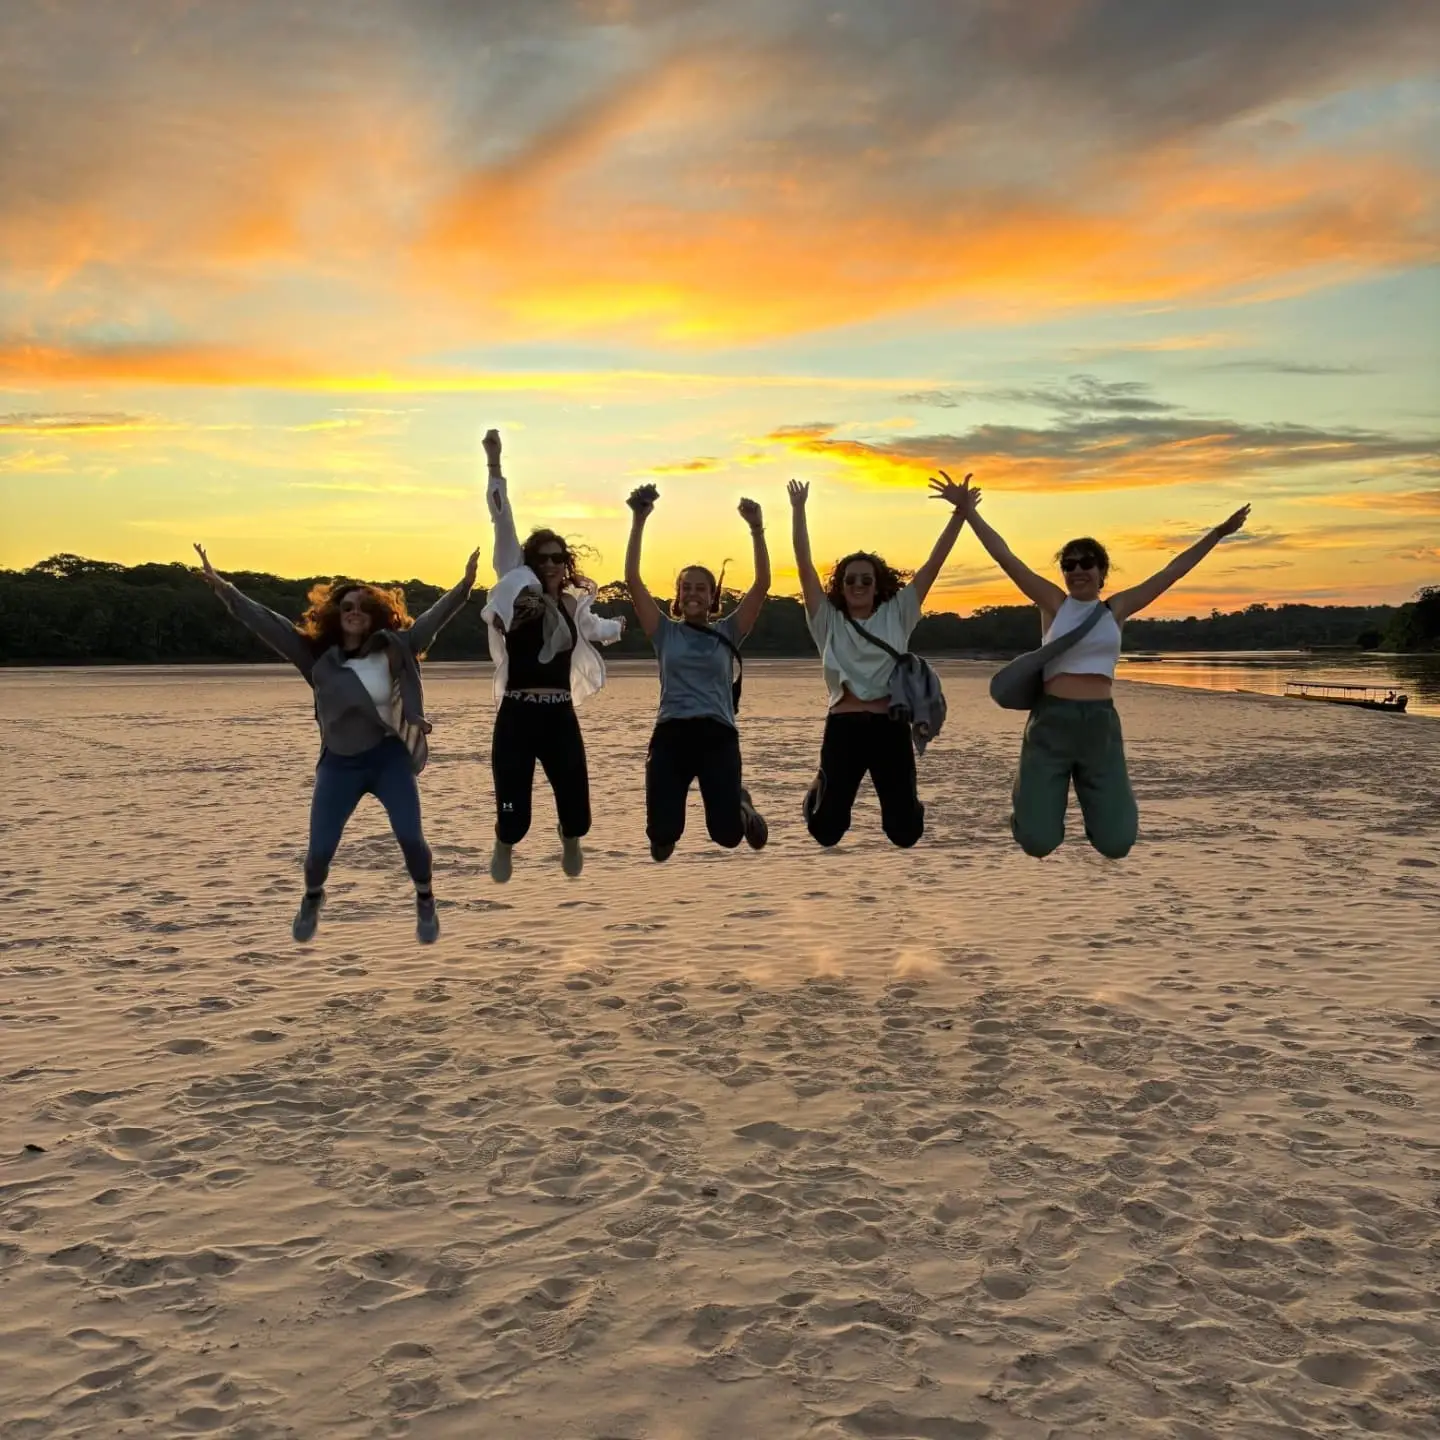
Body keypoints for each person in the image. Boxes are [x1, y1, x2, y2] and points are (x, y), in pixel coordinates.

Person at [934, 474, 1250, 858]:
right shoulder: (1054, 603)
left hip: (1100, 724)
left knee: (1117, 843)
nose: (1077, 570)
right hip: (1052, 722)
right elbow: (1005, 557)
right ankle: (1029, 811)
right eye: (1069, 565)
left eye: (1086, 564)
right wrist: (968, 513)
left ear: (1103, 571)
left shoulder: (1115, 609)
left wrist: (1217, 533)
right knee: (1037, 841)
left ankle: (1093, 814)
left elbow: (1172, 572)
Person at [194, 542, 477, 943]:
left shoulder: (396, 646)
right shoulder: (316, 658)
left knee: (411, 838)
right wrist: (223, 587)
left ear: (376, 612)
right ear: (336, 616)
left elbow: (434, 620)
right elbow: (267, 622)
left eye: (363, 606)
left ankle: (425, 897)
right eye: (347, 607)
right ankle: (313, 897)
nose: (355, 612)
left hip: (388, 758)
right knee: (320, 852)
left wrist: (464, 586)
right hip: (339, 763)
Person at [788, 475, 973, 848]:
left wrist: (960, 513)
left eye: (866, 580)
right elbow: (804, 565)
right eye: (851, 579)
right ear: (840, 585)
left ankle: (907, 800)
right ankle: (818, 789)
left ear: (878, 584)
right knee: (826, 831)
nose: (858, 585)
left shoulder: (898, 613)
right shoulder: (828, 621)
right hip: (843, 729)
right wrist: (798, 510)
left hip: (890, 728)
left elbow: (933, 564)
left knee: (905, 833)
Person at [481, 428, 625, 883]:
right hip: (518, 716)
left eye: (557, 558)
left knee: (578, 809)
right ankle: (504, 839)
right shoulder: (516, 588)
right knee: (513, 809)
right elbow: (502, 520)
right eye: (541, 557)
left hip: (559, 717)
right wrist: (494, 464)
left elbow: (593, 629)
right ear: (528, 561)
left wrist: (621, 627)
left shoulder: (571, 605)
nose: (549, 564)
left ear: (566, 563)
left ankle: (570, 837)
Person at [624, 482, 770, 861]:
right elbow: (633, 581)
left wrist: (756, 529)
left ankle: (740, 803)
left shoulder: (730, 631)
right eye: (686, 587)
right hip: (671, 736)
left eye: (701, 588)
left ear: (712, 596)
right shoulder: (664, 632)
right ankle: (666, 828)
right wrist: (639, 520)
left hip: (717, 736)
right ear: (677, 593)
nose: (693, 593)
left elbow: (762, 585)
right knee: (661, 842)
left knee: (727, 837)